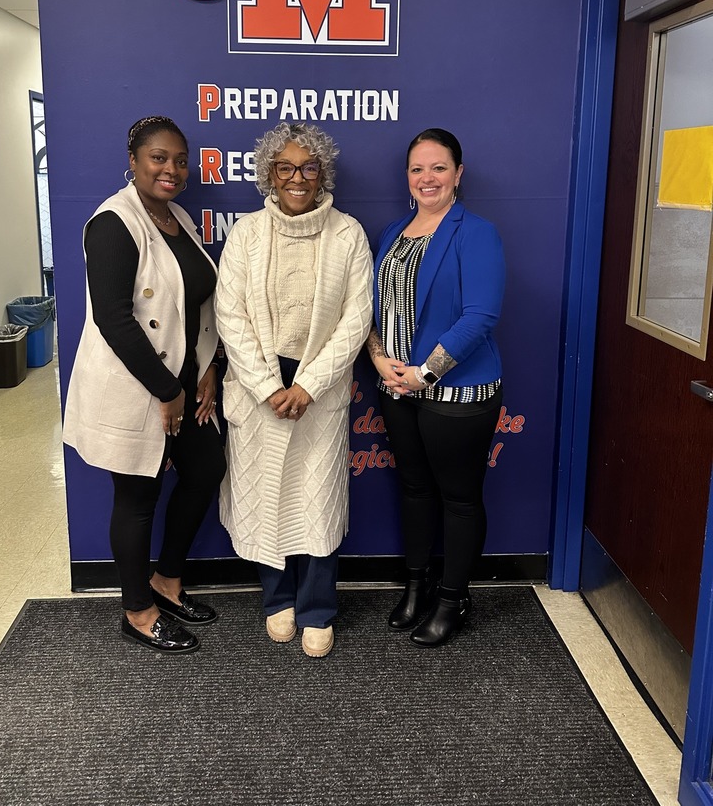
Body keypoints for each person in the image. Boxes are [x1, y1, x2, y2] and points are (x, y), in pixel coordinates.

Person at [63, 116, 226, 654]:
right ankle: (137, 609)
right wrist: (167, 390)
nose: (172, 169)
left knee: (206, 470)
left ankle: (168, 581)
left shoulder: (177, 216)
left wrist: (207, 369)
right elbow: (115, 319)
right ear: (133, 160)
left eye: (180, 160)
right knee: (137, 496)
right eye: (159, 158)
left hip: (184, 379)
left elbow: (197, 306)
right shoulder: (112, 222)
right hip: (139, 385)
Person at [215, 122, 373, 658]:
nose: (297, 177)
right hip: (259, 386)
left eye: (308, 167)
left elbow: (357, 318)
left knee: (317, 499)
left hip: (319, 389)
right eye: (285, 167)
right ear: (270, 174)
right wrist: (266, 385)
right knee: (267, 497)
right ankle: (275, 600)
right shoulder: (247, 234)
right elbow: (229, 315)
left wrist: (306, 383)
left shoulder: (347, 234)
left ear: (322, 172)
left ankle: (317, 608)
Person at [367, 128, 504, 647]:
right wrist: (380, 361)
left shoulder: (476, 232)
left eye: (439, 167)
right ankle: (416, 585)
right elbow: (373, 309)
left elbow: (481, 315)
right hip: (396, 388)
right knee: (415, 490)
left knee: (459, 498)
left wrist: (425, 373)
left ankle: (453, 598)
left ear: (458, 174)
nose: (428, 178)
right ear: (407, 177)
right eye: (418, 169)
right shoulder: (393, 233)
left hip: (456, 391)